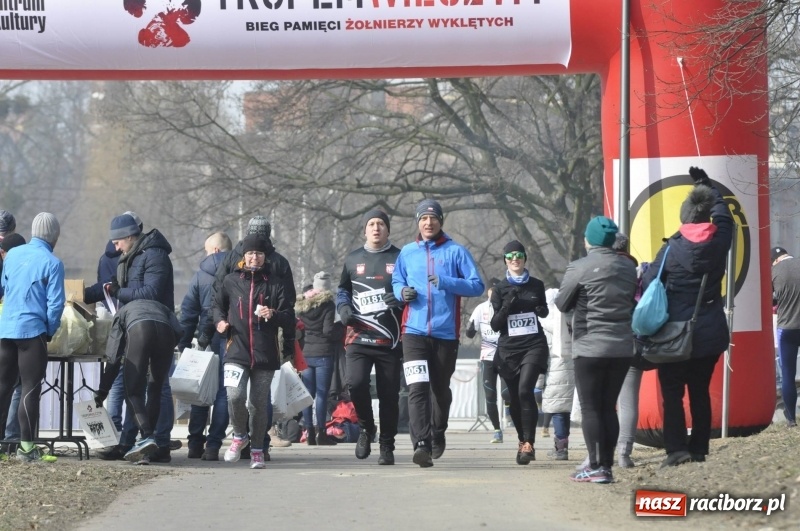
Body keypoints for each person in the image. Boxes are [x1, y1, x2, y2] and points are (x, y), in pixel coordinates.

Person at [641, 167, 733, 467]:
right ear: (706, 218)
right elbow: (725, 217)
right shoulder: (719, 242)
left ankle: (676, 449)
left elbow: (648, 284)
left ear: (683, 220)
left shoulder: (669, 250)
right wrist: (706, 188)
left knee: (672, 393)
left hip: (674, 336)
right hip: (709, 333)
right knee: (700, 392)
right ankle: (699, 449)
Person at [392, 199, 484, 467]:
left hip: (445, 333)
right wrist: (401, 292)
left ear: (440, 221)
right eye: (423, 219)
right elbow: (398, 279)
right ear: (418, 223)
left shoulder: (456, 251)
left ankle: (438, 431)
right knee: (417, 388)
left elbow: (476, 285)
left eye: (433, 218)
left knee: (440, 389)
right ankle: (421, 444)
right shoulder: (408, 252)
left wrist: (447, 282)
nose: (428, 223)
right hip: (413, 332)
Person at [556, 215, 637, 484]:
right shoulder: (627, 268)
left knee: (590, 408)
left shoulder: (579, 267)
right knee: (608, 407)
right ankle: (607, 467)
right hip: (622, 347)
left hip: (589, 346)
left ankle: (595, 466)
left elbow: (562, 302)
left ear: (588, 240)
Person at [92, 213, 177, 463]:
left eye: (117, 242)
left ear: (129, 236)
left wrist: (121, 292)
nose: (115, 247)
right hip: (151, 325)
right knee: (145, 386)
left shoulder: (156, 255)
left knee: (141, 388)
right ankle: (133, 442)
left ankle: (153, 441)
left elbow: (151, 291)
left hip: (151, 324)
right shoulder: (127, 258)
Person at [210, 215, 296, 457]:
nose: (255, 256)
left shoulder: (236, 259)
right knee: (235, 393)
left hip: (258, 339)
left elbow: (286, 306)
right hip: (235, 337)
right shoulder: (272, 261)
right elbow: (219, 297)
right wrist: (218, 322)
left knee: (246, 395)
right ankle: (250, 442)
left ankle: (221, 443)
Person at [336, 209, 404, 464]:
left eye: (381, 224)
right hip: (358, 337)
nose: (376, 228)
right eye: (371, 224)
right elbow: (343, 289)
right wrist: (343, 308)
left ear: (388, 229)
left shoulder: (399, 257)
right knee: (355, 383)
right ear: (365, 230)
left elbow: (410, 290)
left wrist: (399, 298)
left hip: (389, 339)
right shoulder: (353, 259)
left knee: (389, 394)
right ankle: (367, 428)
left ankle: (387, 444)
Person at [0, 213, 65, 462]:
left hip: (5, 330)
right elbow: (56, 304)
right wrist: (48, 331)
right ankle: (27, 448)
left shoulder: (13, 254)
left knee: (3, 387)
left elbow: (5, 287)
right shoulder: (52, 262)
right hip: (32, 332)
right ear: (55, 237)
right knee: (29, 389)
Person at [95, 298, 183, 463]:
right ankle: (156, 446)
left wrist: (102, 390)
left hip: (140, 330)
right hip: (167, 334)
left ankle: (147, 437)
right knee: (155, 389)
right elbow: (179, 330)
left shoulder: (121, 313)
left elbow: (113, 358)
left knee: (133, 392)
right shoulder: (161, 306)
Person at [490, 241, 550, 465]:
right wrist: (507, 305)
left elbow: (542, 311)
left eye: (519, 255)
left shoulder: (537, 284)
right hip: (509, 350)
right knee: (513, 397)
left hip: (534, 345)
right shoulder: (500, 289)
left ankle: (529, 444)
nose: (515, 259)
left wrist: (541, 310)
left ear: (525, 258)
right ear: (505, 260)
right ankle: (521, 440)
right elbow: (495, 325)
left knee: (526, 390)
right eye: (510, 255)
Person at [178, 232, 233, 460]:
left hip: (204, 338)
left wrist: (183, 342)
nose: (206, 255)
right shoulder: (238, 272)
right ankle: (213, 445)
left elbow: (188, 311)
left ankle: (194, 443)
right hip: (231, 337)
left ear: (216, 250)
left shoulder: (200, 276)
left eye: (207, 250)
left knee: (200, 390)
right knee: (223, 391)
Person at [296, 271, 343, 446]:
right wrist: (341, 329)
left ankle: (308, 432)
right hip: (324, 353)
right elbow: (328, 331)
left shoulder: (302, 304)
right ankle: (321, 433)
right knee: (322, 394)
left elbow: (299, 330)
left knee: (308, 394)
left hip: (306, 354)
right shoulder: (328, 305)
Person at [612, 231, 644, 468]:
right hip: (632, 341)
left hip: (602, 341)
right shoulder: (639, 272)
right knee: (628, 400)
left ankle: (598, 452)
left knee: (599, 401)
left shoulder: (599, 270)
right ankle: (624, 453)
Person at [466, 278, 504, 443]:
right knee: (490, 395)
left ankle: (510, 408)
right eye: (491, 290)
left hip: (505, 355)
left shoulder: (506, 306)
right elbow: (470, 331)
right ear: (487, 291)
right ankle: (497, 430)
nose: (494, 293)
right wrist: (469, 330)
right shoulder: (480, 308)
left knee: (506, 393)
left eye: (497, 290)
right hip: (487, 356)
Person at [540, 288, 574, 461]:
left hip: (554, 372)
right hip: (573, 370)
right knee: (566, 410)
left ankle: (560, 448)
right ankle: (564, 445)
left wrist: (538, 381)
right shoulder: (570, 318)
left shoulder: (544, 322)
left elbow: (541, 353)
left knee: (558, 410)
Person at [0, 232, 25, 454]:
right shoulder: (17, 264)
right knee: (16, 384)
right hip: (14, 331)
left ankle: (8, 438)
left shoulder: (9, 262)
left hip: (7, 330)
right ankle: (12, 438)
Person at [772, 246, 800, 428]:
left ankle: (791, 419)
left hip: (787, 328)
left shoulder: (774, 271)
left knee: (788, 374)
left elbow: (770, 300)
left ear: (775, 260)